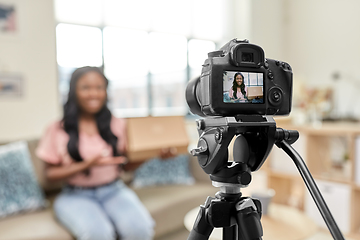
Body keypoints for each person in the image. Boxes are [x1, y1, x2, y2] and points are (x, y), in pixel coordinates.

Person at [36, 66, 160, 240]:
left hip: (114, 190)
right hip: (75, 195)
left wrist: (152, 154)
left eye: (99, 88)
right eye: (86, 88)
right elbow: (49, 175)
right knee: (98, 234)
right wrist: (86, 165)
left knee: (139, 229)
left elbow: (125, 166)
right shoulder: (56, 129)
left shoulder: (118, 124)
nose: (93, 94)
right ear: (73, 91)